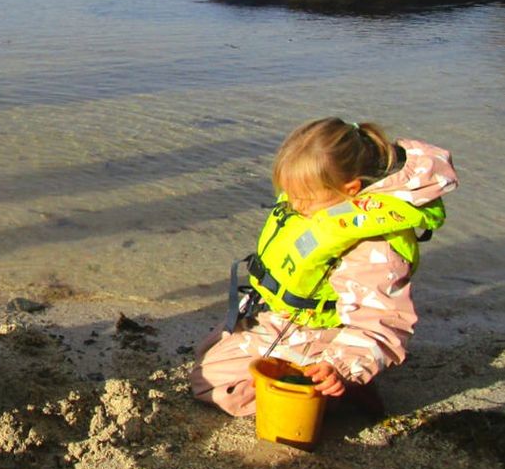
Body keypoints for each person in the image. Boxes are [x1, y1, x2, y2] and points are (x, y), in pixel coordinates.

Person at [190, 117, 458, 416]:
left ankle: (333, 392)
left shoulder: (372, 245)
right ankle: (318, 378)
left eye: (302, 198)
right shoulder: (330, 201)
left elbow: (383, 324)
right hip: (290, 318)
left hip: (326, 336)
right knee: (208, 356)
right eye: (289, 194)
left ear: (351, 189)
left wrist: (339, 367)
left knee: (214, 387)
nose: (293, 204)